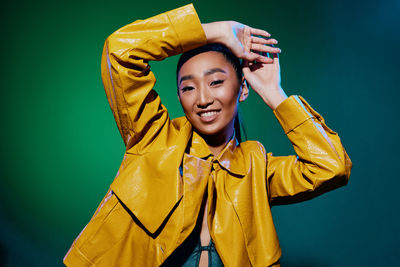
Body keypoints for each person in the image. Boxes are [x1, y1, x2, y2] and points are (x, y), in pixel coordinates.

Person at [63, 4, 352, 267]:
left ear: (242, 89)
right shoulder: (154, 139)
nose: (202, 99)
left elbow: (331, 166)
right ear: (179, 96)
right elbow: (120, 50)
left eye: (216, 82)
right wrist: (216, 31)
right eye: (188, 88)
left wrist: (274, 93)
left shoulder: (256, 167)